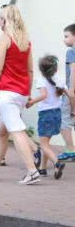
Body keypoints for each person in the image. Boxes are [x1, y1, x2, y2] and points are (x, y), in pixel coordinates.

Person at [0, 5, 40, 185]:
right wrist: (28, 94)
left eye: (0, 18)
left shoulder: (4, 38)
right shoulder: (25, 41)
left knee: (16, 130)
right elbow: (30, 71)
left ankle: (32, 171)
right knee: (1, 130)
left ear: (5, 21)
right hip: (21, 93)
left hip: (6, 93)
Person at [26, 55, 70, 178]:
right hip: (57, 114)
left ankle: (57, 162)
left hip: (46, 115)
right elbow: (70, 95)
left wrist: (31, 102)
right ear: (55, 68)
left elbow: (44, 95)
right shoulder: (59, 79)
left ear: (41, 69)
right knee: (46, 142)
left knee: (43, 144)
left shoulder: (41, 80)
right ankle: (43, 169)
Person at [57, 23, 75, 161]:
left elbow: (73, 72)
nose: (64, 39)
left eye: (66, 36)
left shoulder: (71, 52)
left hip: (71, 91)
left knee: (64, 120)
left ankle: (70, 150)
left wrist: (71, 91)